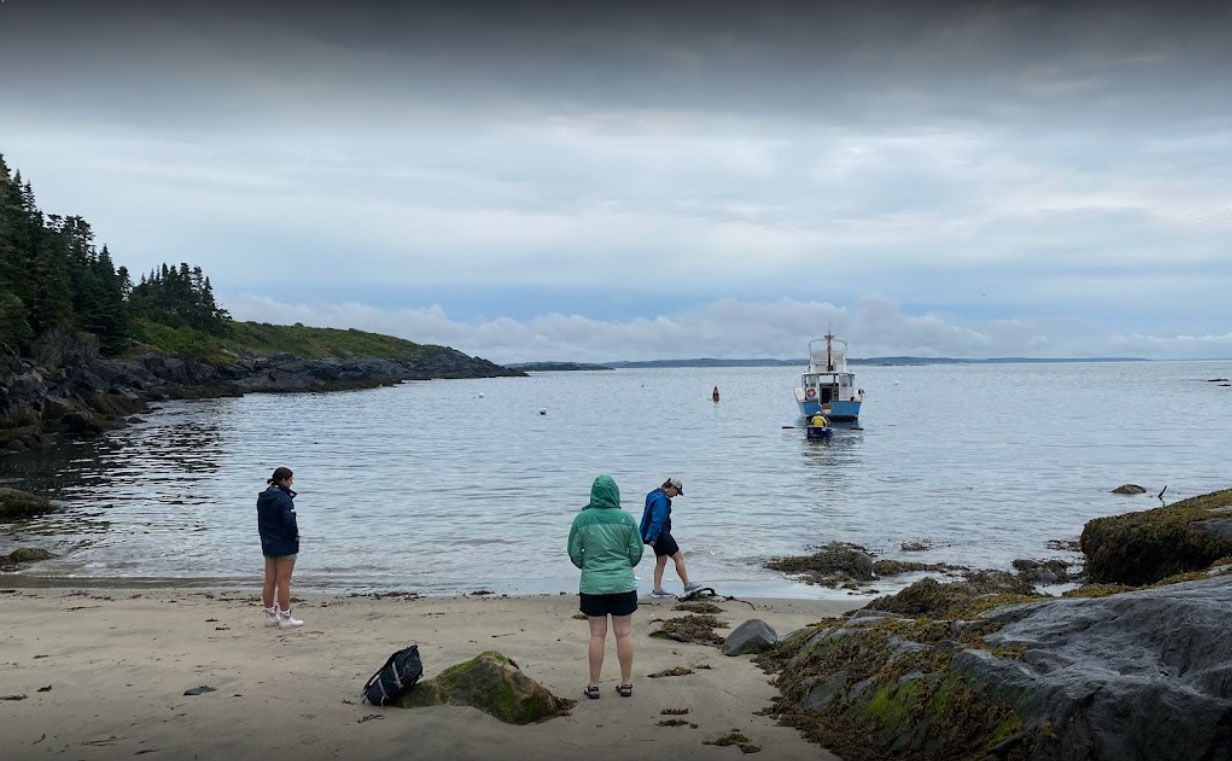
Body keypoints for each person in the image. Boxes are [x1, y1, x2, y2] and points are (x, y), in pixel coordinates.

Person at [568, 475, 643, 699]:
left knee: (597, 635)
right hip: (622, 583)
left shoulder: (582, 519)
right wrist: (624, 565)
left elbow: (574, 552)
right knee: (624, 633)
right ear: (615, 493)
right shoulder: (626, 518)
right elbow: (637, 552)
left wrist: (587, 565)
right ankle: (626, 683)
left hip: (593, 584)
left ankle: (593, 685)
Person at [257, 466, 303, 629]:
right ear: (283, 480)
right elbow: (289, 521)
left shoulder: (263, 497)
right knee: (284, 581)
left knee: (269, 580)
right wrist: (295, 536)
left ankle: (270, 614)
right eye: (290, 479)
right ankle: (285, 616)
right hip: (284, 543)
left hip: (268, 541)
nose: (292, 482)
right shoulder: (284, 499)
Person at [640, 478, 702, 597]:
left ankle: (657, 590)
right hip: (661, 533)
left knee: (661, 560)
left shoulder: (652, 494)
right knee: (679, 557)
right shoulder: (662, 499)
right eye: (677, 492)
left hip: (653, 533)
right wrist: (654, 537)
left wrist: (650, 536)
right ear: (671, 487)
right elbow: (658, 519)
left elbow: (648, 517)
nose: (676, 495)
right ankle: (687, 585)